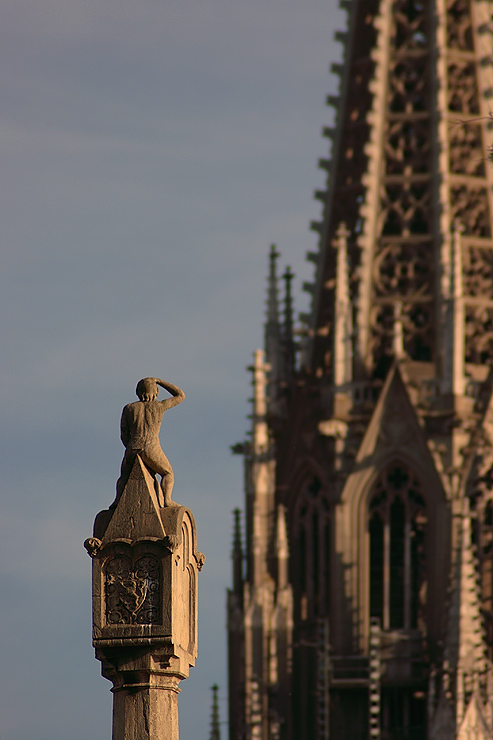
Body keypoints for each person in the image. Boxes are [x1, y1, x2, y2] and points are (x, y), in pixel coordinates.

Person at [115, 377, 185, 507]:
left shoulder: (129, 408)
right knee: (168, 473)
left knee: (123, 477)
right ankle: (167, 500)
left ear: (138, 392)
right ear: (156, 392)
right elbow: (180, 395)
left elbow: (124, 434)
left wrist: (131, 446)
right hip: (151, 447)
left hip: (133, 446)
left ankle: (117, 500)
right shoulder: (159, 406)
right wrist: (159, 381)